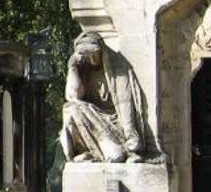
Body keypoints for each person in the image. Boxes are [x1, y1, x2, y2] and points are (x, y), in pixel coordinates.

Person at [59, 32, 152, 164]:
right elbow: (73, 96)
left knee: (116, 156)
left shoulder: (117, 69)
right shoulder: (84, 70)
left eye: (94, 53)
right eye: (86, 55)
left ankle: (112, 147)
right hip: (91, 119)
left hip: (114, 125)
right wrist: (72, 67)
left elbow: (124, 103)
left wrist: (130, 134)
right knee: (71, 108)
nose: (91, 58)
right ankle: (90, 149)